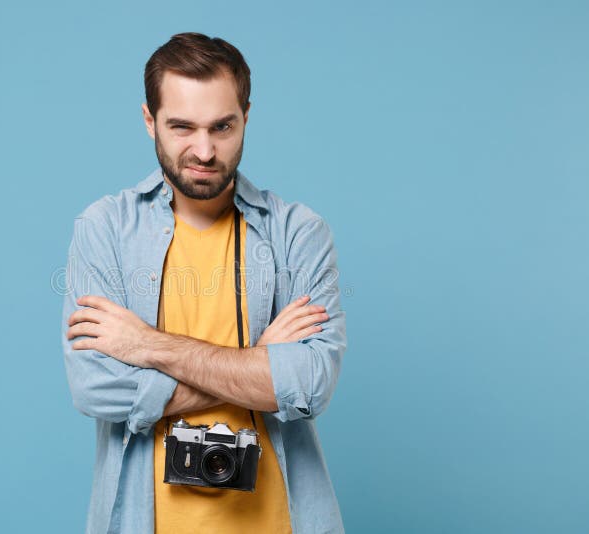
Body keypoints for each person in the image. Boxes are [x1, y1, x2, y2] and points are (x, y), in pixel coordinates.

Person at [62, 32, 347, 534]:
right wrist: (257, 364)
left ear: (246, 117)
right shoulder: (104, 229)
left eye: (222, 127)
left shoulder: (299, 233)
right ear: (149, 120)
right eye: (181, 127)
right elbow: (95, 388)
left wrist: (147, 345)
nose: (204, 150)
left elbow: (310, 382)